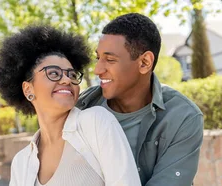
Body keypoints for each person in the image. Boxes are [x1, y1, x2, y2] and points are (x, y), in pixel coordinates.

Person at [0, 25, 141, 186]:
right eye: (54, 73)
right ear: (28, 89)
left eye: (71, 74)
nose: (66, 80)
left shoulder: (95, 123)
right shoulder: (21, 163)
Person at [77, 13, 204, 185]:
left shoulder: (183, 117)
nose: (97, 69)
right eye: (98, 58)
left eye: (110, 60)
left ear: (144, 62)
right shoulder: (82, 107)